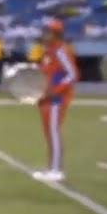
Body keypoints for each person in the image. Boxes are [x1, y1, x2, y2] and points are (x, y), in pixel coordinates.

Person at [32, 18, 79, 182]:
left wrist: (55, 92)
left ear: (56, 34)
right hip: (48, 99)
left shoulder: (60, 51)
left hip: (57, 100)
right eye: (44, 31)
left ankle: (57, 170)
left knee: (53, 133)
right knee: (49, 134)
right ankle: (52, 167)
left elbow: (73, 75)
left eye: (48, 32)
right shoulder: (48, 51)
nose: (45, 34)